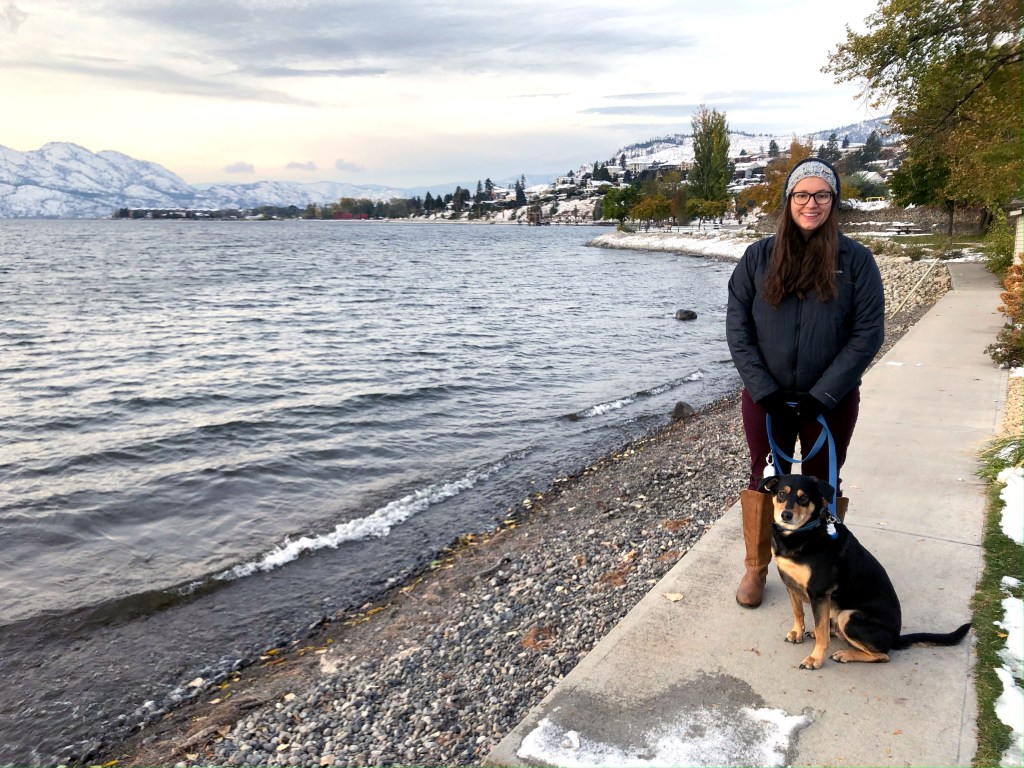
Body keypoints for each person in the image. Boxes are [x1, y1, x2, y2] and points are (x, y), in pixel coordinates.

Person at [725, 157, 885, 608]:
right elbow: (738, 328)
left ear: (833, 202)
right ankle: (757, 568)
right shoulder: (758, 257)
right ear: (788, 200)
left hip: (829, 400)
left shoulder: (856, 261)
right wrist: (765, 391)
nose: (810, 203)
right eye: (802, 194)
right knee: (765, 478)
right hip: (767, 397)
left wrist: (824, 395)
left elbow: (867, 333)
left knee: (821, 482)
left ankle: (817, 571)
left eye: (821, 195)